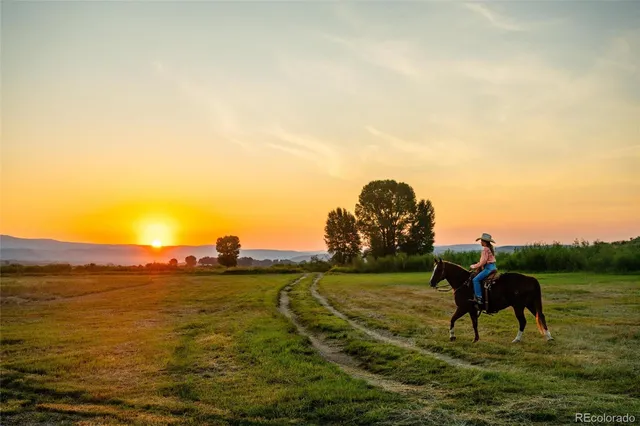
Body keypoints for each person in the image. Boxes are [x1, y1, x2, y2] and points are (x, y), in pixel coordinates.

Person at [470, 233, 497, 306]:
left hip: (488, 268)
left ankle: (479, 298)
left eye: (481, 241)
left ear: (484, 241)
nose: (480, 242)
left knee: (475, 280)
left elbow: (483, 262)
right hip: (493, 267)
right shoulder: (490, 249)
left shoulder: (485, 249)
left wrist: (473, 266)